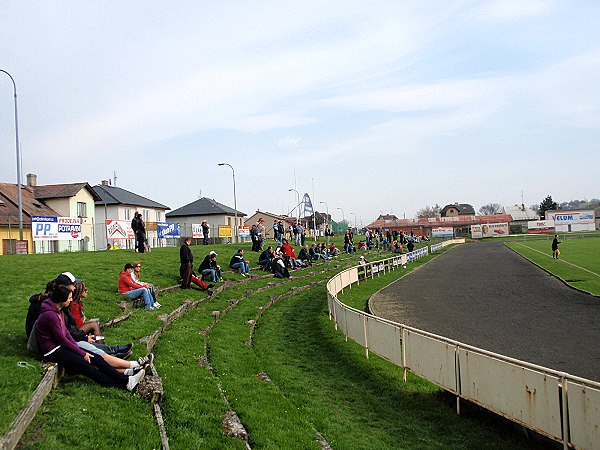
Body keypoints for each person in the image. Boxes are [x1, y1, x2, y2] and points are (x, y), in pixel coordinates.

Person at [36, 284, 146, 391]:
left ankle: (127, 378)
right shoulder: (50, 315)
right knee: (88, 367)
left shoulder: (59, 311)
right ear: (61, 299)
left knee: (96, 358)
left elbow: (66, 334)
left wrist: (79, 350)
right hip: (52, 351)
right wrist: (82, 353)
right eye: (69, 298)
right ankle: (125, 383)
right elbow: (62, 340)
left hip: (59, 346)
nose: (71, 300)